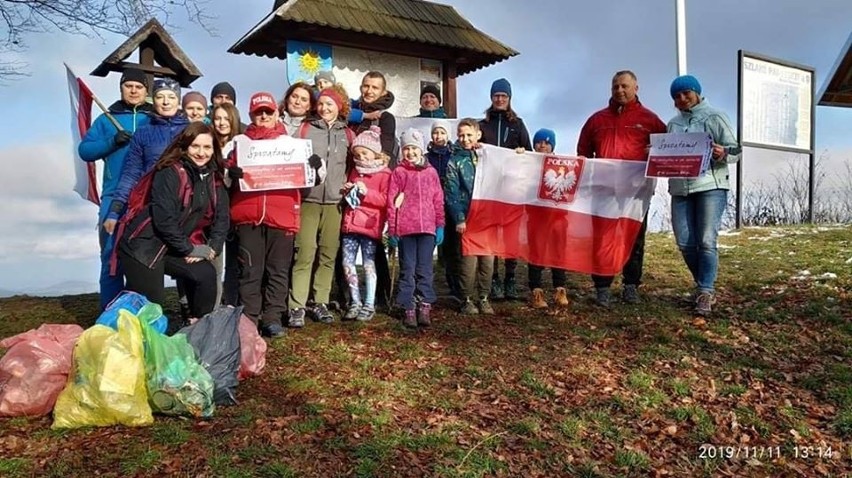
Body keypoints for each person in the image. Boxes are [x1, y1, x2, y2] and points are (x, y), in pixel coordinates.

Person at [227, 92, 319, 338]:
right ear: (251, 116)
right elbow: (223, 177)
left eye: (268, 111)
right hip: (248, 216)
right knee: (250, 270)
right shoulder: (238, 144)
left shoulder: (292, 145)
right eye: (259, 112)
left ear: (277, 113)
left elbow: (308, 182)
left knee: (278, 270)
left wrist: (314, 168)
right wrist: (230, 175)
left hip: (283, 215)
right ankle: (249, 318)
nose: (264, 116)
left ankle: (272, 318)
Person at [117, 122, 229, 324]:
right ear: (185, 146)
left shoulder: (214, 177)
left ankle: (198, 326)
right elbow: (164, 220)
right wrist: (189, 249)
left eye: (207, 147)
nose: (201, 153)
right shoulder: (169, 171)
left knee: (205, 273)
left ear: (214, 149)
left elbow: (222, 217)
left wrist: (212, 247)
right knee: (152, 310)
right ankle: (137, 347)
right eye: (195, 146)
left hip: (171, 247)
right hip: (144, 248)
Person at [576, 70, 666, 307]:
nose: (620, 91)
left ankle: (630, 286)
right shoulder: (596, 120)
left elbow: (667, 150)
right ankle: (603, 287)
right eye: (615, 87)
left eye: (625, 86)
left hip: (636, 192)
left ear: (636, 88)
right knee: (602, 237)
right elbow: (583, 153)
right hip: (604, 190)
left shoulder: (651, 120)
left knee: (634, 237)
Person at [78, 68, 152, 309]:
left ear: (146, 91)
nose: (133, 90)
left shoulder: (154, 119)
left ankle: (142, 314)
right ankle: (109, 315)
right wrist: (112, 142)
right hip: (113, 197)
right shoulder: (107, 119)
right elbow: (85, 151)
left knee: (144, 259)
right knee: (111, 257)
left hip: (148, 196)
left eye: (138, 86)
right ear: (121, 88)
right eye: (128, 85)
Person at [666, 75, 740, 316]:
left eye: (686, 93)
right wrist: (657, 154)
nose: (682, 99)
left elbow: (736, 150)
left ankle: (705, 291)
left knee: (707, 240)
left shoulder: (715, 117)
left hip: (711, 186)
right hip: (680, 188)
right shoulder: (673, 124)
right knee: (685, 242)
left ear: (697, 92)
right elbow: (668, 155)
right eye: (676, 96)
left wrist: (722, 152)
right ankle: (703, 286)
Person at [289, 84, 353, 326]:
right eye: (322, 103)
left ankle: (321, 301)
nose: (325, 108)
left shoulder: (347, 134)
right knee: (305, 252)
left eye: (330, 104)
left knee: (328, 253)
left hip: (335, 202)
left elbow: (351, 165)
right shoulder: (305, 129)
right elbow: (292, 159)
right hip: (308, 199)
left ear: (339, 107)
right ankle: (297, 305)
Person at [106, 77, 191, 232]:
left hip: (184, 207)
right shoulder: (144, 132)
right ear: (153, 101)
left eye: (171, 97)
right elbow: (131, 173)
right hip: (150, 203)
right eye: (160, 97)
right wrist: (114, 211)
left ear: (178, 102)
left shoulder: (191, 131)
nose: (166, 102)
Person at [479, 78, 532, 301]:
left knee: (510, 234)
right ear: (491, 98)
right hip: (490, 189)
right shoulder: (482, 124)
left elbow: (529, 153)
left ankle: (510, 278)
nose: (500, 99)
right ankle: (495, 279)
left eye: (504, 96)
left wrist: (521, 153)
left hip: (512, 189)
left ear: (509, 99)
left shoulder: (518, 124)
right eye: (496, 95)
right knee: (492, 234)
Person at [348, 71, 396, 309]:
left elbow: (385, 152)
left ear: (383, 92)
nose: (369, 91)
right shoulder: (353, 112)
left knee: (373, 244)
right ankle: (349, 295)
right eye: (366, 86)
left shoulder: (386, 117)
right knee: (346, 239)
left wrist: (370, 180)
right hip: (351, 180)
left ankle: (382, 295)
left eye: (374, 87)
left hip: (374, 185)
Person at [388, 128, 445, 328]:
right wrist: (393, 230)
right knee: (408, 268)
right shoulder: (399, 173)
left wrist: (440, 225)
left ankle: (425, 304)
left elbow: (438, 200)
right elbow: (392, 203)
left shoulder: (431, 173)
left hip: (427, 229)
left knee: (425, 269)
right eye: (406, 149)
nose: (410, 153)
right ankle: (408, 305)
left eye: (414, 148)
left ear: (421, 149)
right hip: (406, 229)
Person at [340, 126, 392, 322]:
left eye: (364, 153)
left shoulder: (385, 174)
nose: (361, 157)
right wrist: (348, 190)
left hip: (370, 226)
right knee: (347, 263)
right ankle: (355, 301)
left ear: (375, 153)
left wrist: (365, 192)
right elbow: (352, 195)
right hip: (350, 225)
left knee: (369, 264)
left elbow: (386, 200)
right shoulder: (354, 171)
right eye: (357, 153)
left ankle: (369, 303)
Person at [445, 118, 495, 315]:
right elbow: (452, 192)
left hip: (488, 218)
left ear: (478, 135)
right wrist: (459, 217)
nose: (465, 139)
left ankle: (484, 297)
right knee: (468, 261)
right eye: (461, 135)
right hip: (467, 218)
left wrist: (517, 154)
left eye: (469, 135)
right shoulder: (455, 161)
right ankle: (466, 298)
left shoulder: (488, 157)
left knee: (488, 261)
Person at [527, 128, 571, 309]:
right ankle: (536, 291)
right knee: (536, 253)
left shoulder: (563, 163)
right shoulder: (528, 162)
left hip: (559, 216)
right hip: (536, 217)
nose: (542, 145)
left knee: (558, 252)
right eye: (538, 142)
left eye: (546, 142)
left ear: (552, 144)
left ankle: (560, 289)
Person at [211, 102, 243, 306]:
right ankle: (212, 304)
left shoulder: (242, 145)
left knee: (236, 259)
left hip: (236, 207)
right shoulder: (207, 143)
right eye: (217, 118)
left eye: (226, 118)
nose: (222, 123)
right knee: (214, 261)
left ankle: (232, 301)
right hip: (212, 209)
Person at [426, 120, 462, 300]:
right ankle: (424, 288)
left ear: (448, 135)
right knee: (426, 248)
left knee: (452, 250)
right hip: (429, 207)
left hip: (449, 206)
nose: (438, 136)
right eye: (435, 133)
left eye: (442, 132)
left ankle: (455, 287)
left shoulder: (454, 155)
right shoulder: (425, 158)